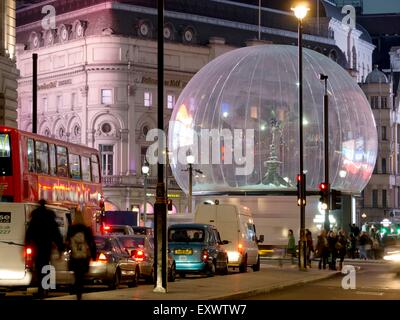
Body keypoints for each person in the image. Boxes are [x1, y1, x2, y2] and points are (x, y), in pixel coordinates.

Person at [25, 199, 64, 299]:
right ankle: (44, 287)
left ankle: (40, 288)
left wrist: (27, 243)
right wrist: (60, 248)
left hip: (36, 246)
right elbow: (56, 234)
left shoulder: (35, 217)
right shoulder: (50, 217)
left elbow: (29, 232)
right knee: (46, 266)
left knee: (38, 267)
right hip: (47, 246)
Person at [66, 209, 96, 300]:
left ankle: (77, 291)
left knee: (76, 275)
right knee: (82, 276)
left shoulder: (71, 229)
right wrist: (94, 255)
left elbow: (67, 242)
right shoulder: (86, 229)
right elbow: (91, 243)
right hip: (84, 257)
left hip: (75, 256)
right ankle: (80, 293)